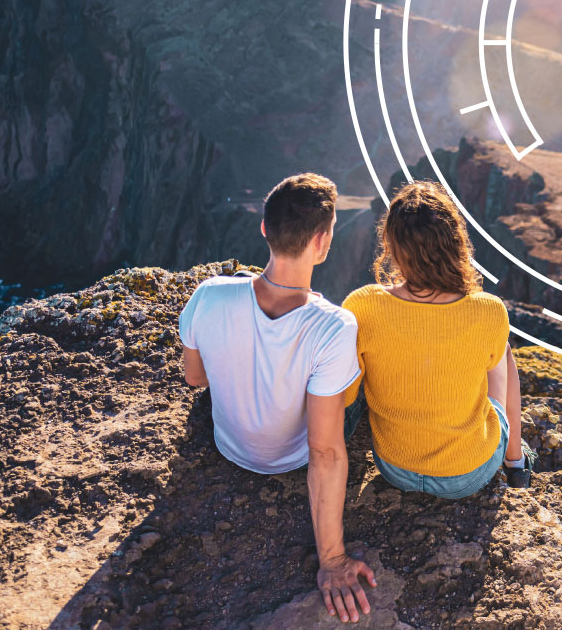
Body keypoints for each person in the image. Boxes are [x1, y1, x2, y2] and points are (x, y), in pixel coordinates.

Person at [179, 173, 376, 623]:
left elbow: (195, 379)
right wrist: (332, 561)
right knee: (359, 380)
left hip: (230, 447)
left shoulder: (208, 295)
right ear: (323, 242)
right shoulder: (334, 325)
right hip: (292, 457)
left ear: (264, 228)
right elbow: (324, 451)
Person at [343, 181, 531, 500]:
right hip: (469, 473)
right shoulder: (488, 310)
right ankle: (515, 462)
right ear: (455, 243)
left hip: (394, 468)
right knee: (503, 353)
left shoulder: (363, 305)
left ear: (392, 245)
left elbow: (345, 395)